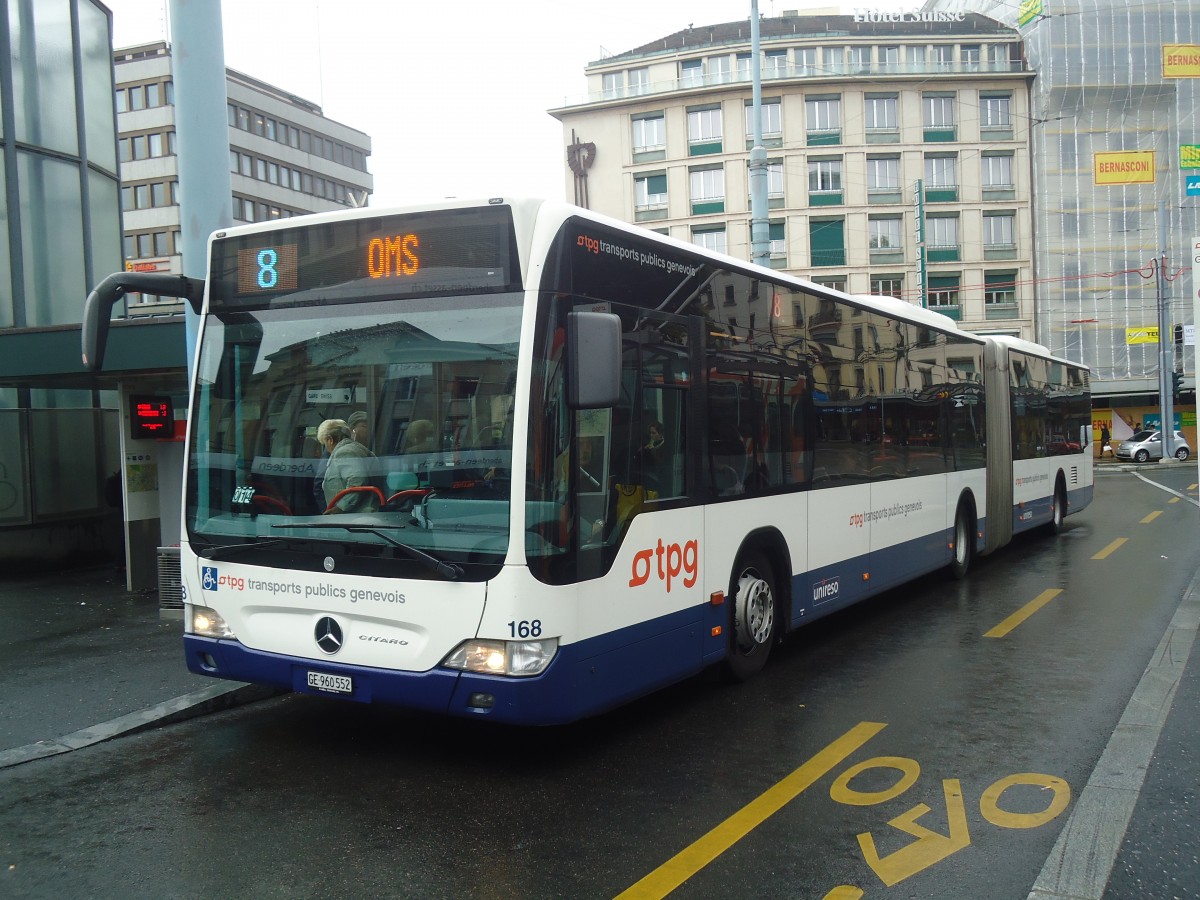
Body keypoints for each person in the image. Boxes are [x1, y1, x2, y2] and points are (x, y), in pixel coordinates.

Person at [317, 418, 373, 513]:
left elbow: (357, 481)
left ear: (330, 439)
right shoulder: (360, 449)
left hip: (355, 519)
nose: (326, 448)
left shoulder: (344, 453)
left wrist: (340, 508)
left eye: (324, 444)